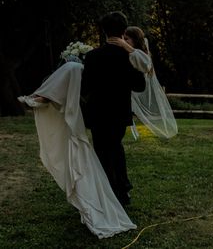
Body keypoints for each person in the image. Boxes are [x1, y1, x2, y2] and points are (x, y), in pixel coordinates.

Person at [17, 63, 138, 238]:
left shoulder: (88, 70)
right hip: (81, 121)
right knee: (87, 163)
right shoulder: (80, 77)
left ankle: (44, 95)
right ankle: (44, 95)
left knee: (72, 67)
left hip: (92, 120)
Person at [80, 12, 146, 206]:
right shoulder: (128, 56)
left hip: (97, 113)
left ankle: (106, 192)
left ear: (103, 31)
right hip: (119, 112)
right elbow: (139, 86)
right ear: (123, 30)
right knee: (116, 147)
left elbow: (85, 87)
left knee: (101, 150)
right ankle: (122, 190)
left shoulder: (92, 56)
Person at [107, 26, 178, 140]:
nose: (123, 42)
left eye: (127, 39)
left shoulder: (139, 54)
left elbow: (146, 64)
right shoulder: (125, 53)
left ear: (135, 40)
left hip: (135, 89)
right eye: (122, 39)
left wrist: (126, 46)